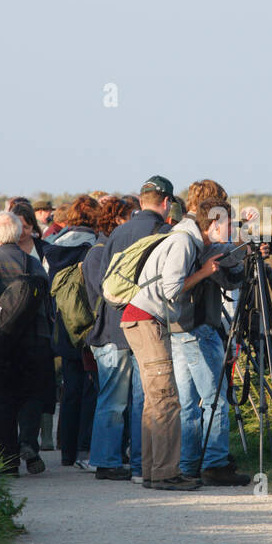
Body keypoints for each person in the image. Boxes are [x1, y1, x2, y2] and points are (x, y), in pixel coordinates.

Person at [122, 190, 237, 491]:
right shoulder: (184, 242)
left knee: (156, 401)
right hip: (147, 319)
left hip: (143, 319)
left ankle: (152, 470)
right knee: (165, 399)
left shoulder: (186, 238)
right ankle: (164, 474)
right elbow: (171, 288)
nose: (231, 231)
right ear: (212, 225)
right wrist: (204, 272)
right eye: (228, 225)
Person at [84, 178, 174, 484]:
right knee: (144, 397)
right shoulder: (164, 233)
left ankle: (105, 461)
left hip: (113, 324)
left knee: (110, 398)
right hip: (146, 323)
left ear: (141, 200)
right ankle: (140, 464)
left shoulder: (117, 233)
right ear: (166, 203)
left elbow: (104, 284)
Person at [169, 181, 255, 485]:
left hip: (178, 327)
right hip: (196, 326)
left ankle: (189, 464)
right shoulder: (191, 238)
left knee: (188, 403)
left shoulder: (182, 231)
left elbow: (225, 271)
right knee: (217, 398)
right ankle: (215, 464)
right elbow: (186, 282)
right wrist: (244, 248)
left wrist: (243, 248)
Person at [0, 212, 53, 476]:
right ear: (18, 234)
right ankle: (28, 443)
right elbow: (46, 299)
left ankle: (8, 461)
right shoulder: (32, 263)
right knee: (31, 395)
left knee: (0, 399)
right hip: (35, 340)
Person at [41, 196, 100, 468]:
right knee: (91, 388)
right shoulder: (96, 245)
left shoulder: (53, 246)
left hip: (63, 323)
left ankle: (66, 451)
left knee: (70, 388)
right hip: (89, 324)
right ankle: (85, 447)